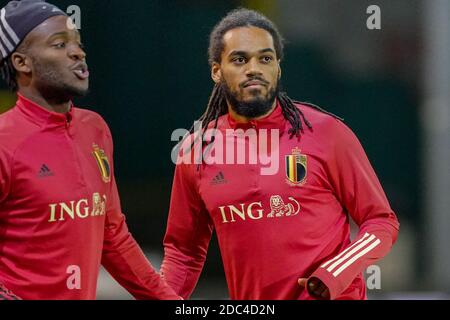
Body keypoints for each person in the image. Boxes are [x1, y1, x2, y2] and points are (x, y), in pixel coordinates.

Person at [160, 8, 400, 300]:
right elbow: (183, 252)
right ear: (216, 71)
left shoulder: (327, 132)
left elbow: (381, 221)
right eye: (239, 59)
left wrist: (335, 273)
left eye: (265, 58)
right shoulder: (197, 150)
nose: (254, 68)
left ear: (278, 68)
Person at [0, 0, 180, 300]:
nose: (78, 52)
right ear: (22, 62)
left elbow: (114, 237)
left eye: (77, 43)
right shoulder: (5, 141)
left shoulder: (94, 129)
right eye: (59, 45)